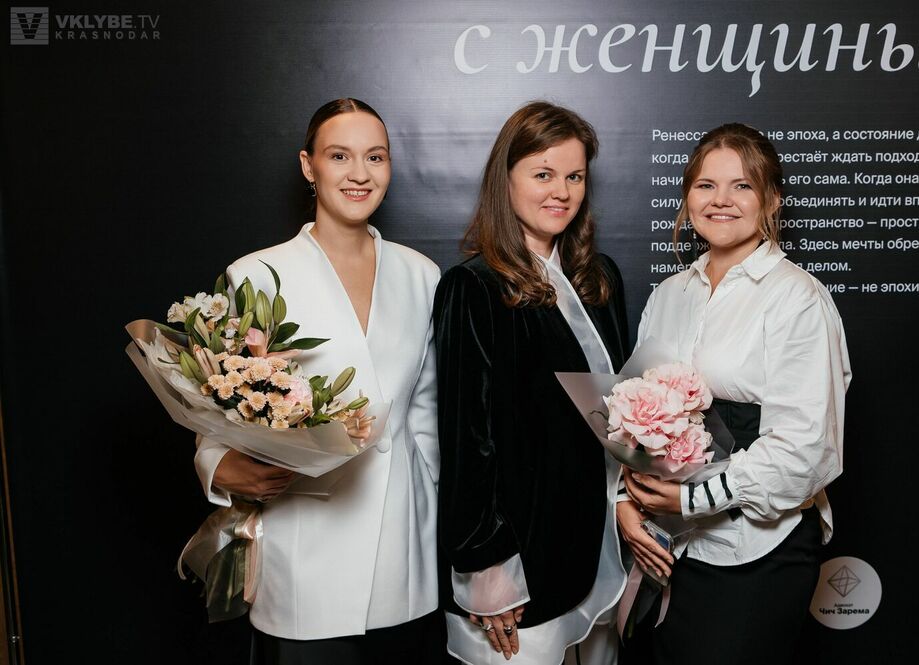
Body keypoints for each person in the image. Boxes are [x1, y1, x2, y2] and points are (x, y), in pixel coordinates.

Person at [193, 98, 446, 664]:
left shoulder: (421, 274)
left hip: (405, 548)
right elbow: (221, 402)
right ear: (309, 166)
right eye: (340, 156)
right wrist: (218, 466)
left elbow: (427, 413)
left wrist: (434, 507)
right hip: (305, 544)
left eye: (375, 157)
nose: (360, 173)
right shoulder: (257, 274)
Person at [617, 123, 851, 664]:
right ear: (687, 197)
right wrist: (625, 505)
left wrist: (690, 500)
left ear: (771, 200)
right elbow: (628, 417)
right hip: (667, 547)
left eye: (742, 186)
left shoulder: (796, 298)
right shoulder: (669, 294)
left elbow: (805, 449)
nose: (720, 200)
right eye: (706, 185)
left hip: (756, 551)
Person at [432, 101, 629, 665]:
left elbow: (618, 411)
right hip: (519, 563)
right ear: (507, 179)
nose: (561, 191)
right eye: (543, 174)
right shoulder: (474, 287)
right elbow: (468, 441)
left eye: (575, 177)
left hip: (595, 541)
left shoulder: (599, 279)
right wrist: (486, 568)